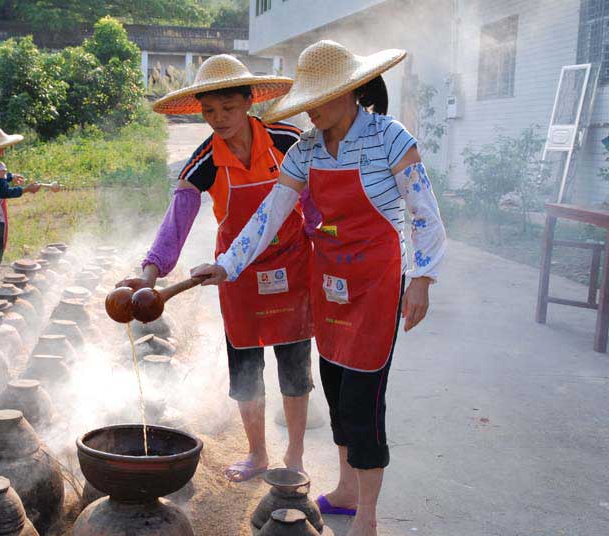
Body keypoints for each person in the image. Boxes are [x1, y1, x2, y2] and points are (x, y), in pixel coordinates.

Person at [192, 41, 446, 535]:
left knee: (364, 395)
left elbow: (425, 217)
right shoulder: (307, 149)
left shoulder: (391, 139)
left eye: (321, 97)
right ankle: (347, 489)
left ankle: (367, 515)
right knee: (333, 387)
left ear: (350, 91)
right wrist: (228, 264)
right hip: (327, 282)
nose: (310, 109)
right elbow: (271, 212)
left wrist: (422, 279)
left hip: (376, 283)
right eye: (306, 99)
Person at [115, 55, 319, 482]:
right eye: (209, 111)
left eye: (228, 108)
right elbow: (177, 220)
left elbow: (315, 202)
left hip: (293, 268)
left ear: (249, 102)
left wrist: (329, 247)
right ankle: (258, 454)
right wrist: (150, 274)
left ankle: (295, 456)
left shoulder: (287, 140)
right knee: (246, 371)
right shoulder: (204, 160)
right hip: (235, 274)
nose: (219, 119)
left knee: (295, 368)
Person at [0, 127, 49, 303]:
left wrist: (10, 176)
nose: (4, 149)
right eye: (2, 146)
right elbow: (3, 192)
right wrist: (26, 189)